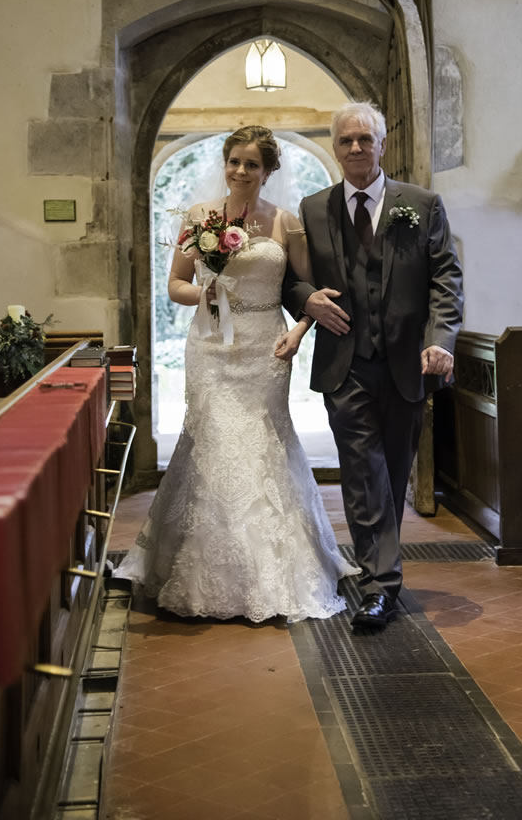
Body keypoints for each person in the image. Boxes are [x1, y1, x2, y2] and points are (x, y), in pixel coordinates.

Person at [116, 125, 358, 622]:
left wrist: (301, 331)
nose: (241, 171)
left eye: (252, 164)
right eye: (234, 161)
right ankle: (209, 564)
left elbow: (306, 288)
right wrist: (208, 293)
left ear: (268, 172)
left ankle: (274, 568)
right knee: (213, 443)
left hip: (264, 347)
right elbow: (176, 286)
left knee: (263, 441)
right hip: (209, 346)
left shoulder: (285, 222)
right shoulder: (200, 218)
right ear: (224, 165)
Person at [279, 102, 463, 631]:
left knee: (393, 471)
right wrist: (308, 300)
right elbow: (292, 280)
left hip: (407, 364)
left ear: (382, 145)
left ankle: (378, 566)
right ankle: (379, 584)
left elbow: (446, 279)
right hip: (347, 364)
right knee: (363, 469)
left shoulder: (421, 205)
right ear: (335, 148)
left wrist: (441, 339)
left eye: (365, 139)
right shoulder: (314, 209)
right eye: (346, 141)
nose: (356, 148)